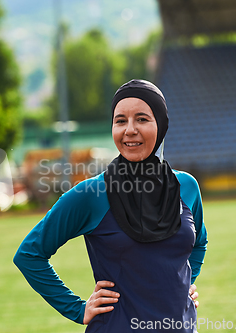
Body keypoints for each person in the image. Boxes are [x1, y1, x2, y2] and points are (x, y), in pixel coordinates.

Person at [13, 79, 208, 332]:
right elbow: (29, 254)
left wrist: (186, 284)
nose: (130, 130)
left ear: (161, 124)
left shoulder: (187, 187)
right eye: (120, 121)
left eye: (141, 119)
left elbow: (199, 242)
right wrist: (77, 308)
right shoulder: (91, 193)